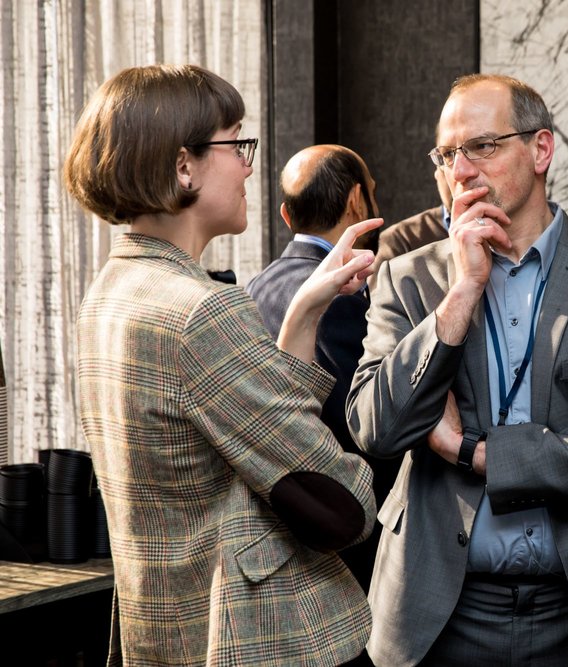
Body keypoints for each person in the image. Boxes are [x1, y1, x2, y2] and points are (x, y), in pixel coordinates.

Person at [347, 73, 568, 667]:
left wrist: (475, 453)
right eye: (447, 155)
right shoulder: (409, 279)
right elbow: (376, 429)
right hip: (441, 611)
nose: (461, 171)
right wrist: (461, 294)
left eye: (482, 146)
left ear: (541, 149)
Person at [65, 64, 381, 666]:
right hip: (260, 638)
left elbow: (241, 440)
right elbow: (340, 504)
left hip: (168, 629)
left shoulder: (109, 294)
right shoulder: (203, 311)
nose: (248, 166)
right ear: (183, 166)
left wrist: (304, 310)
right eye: (237, 145)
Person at [247, 143, 399, 599]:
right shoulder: (341, 298)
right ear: (357, 201)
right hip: (342, 548)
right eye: (373, 191)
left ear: (286, 215)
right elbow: (365, 422)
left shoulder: (255, 286)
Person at [368, 167, 452, 289]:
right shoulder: (398, 240)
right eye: (448, 157)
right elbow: (378, 298)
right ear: (437, 173)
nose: (459, 173)